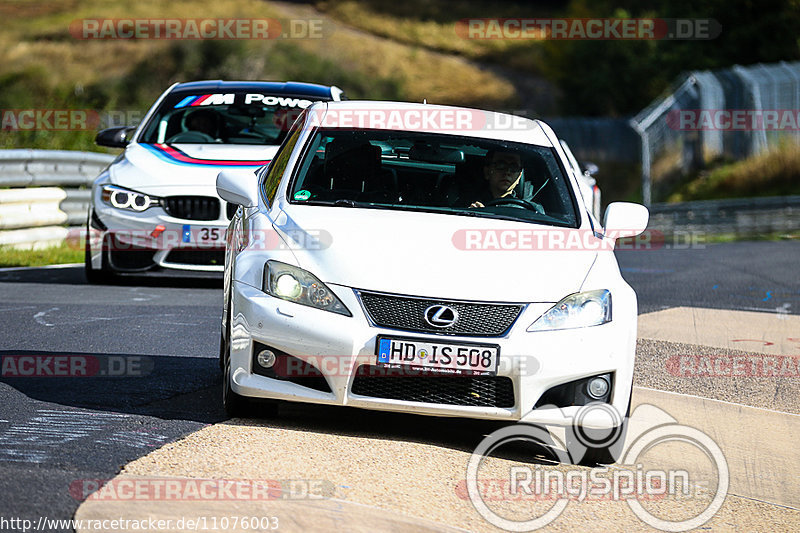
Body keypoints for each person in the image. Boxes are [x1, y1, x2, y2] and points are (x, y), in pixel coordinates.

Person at [469, 150, 544, 213]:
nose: (507, 172)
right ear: (487, 172)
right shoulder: (466, 203)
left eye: (513, 167)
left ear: (519, 177)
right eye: (501, 165)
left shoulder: (532, 211)